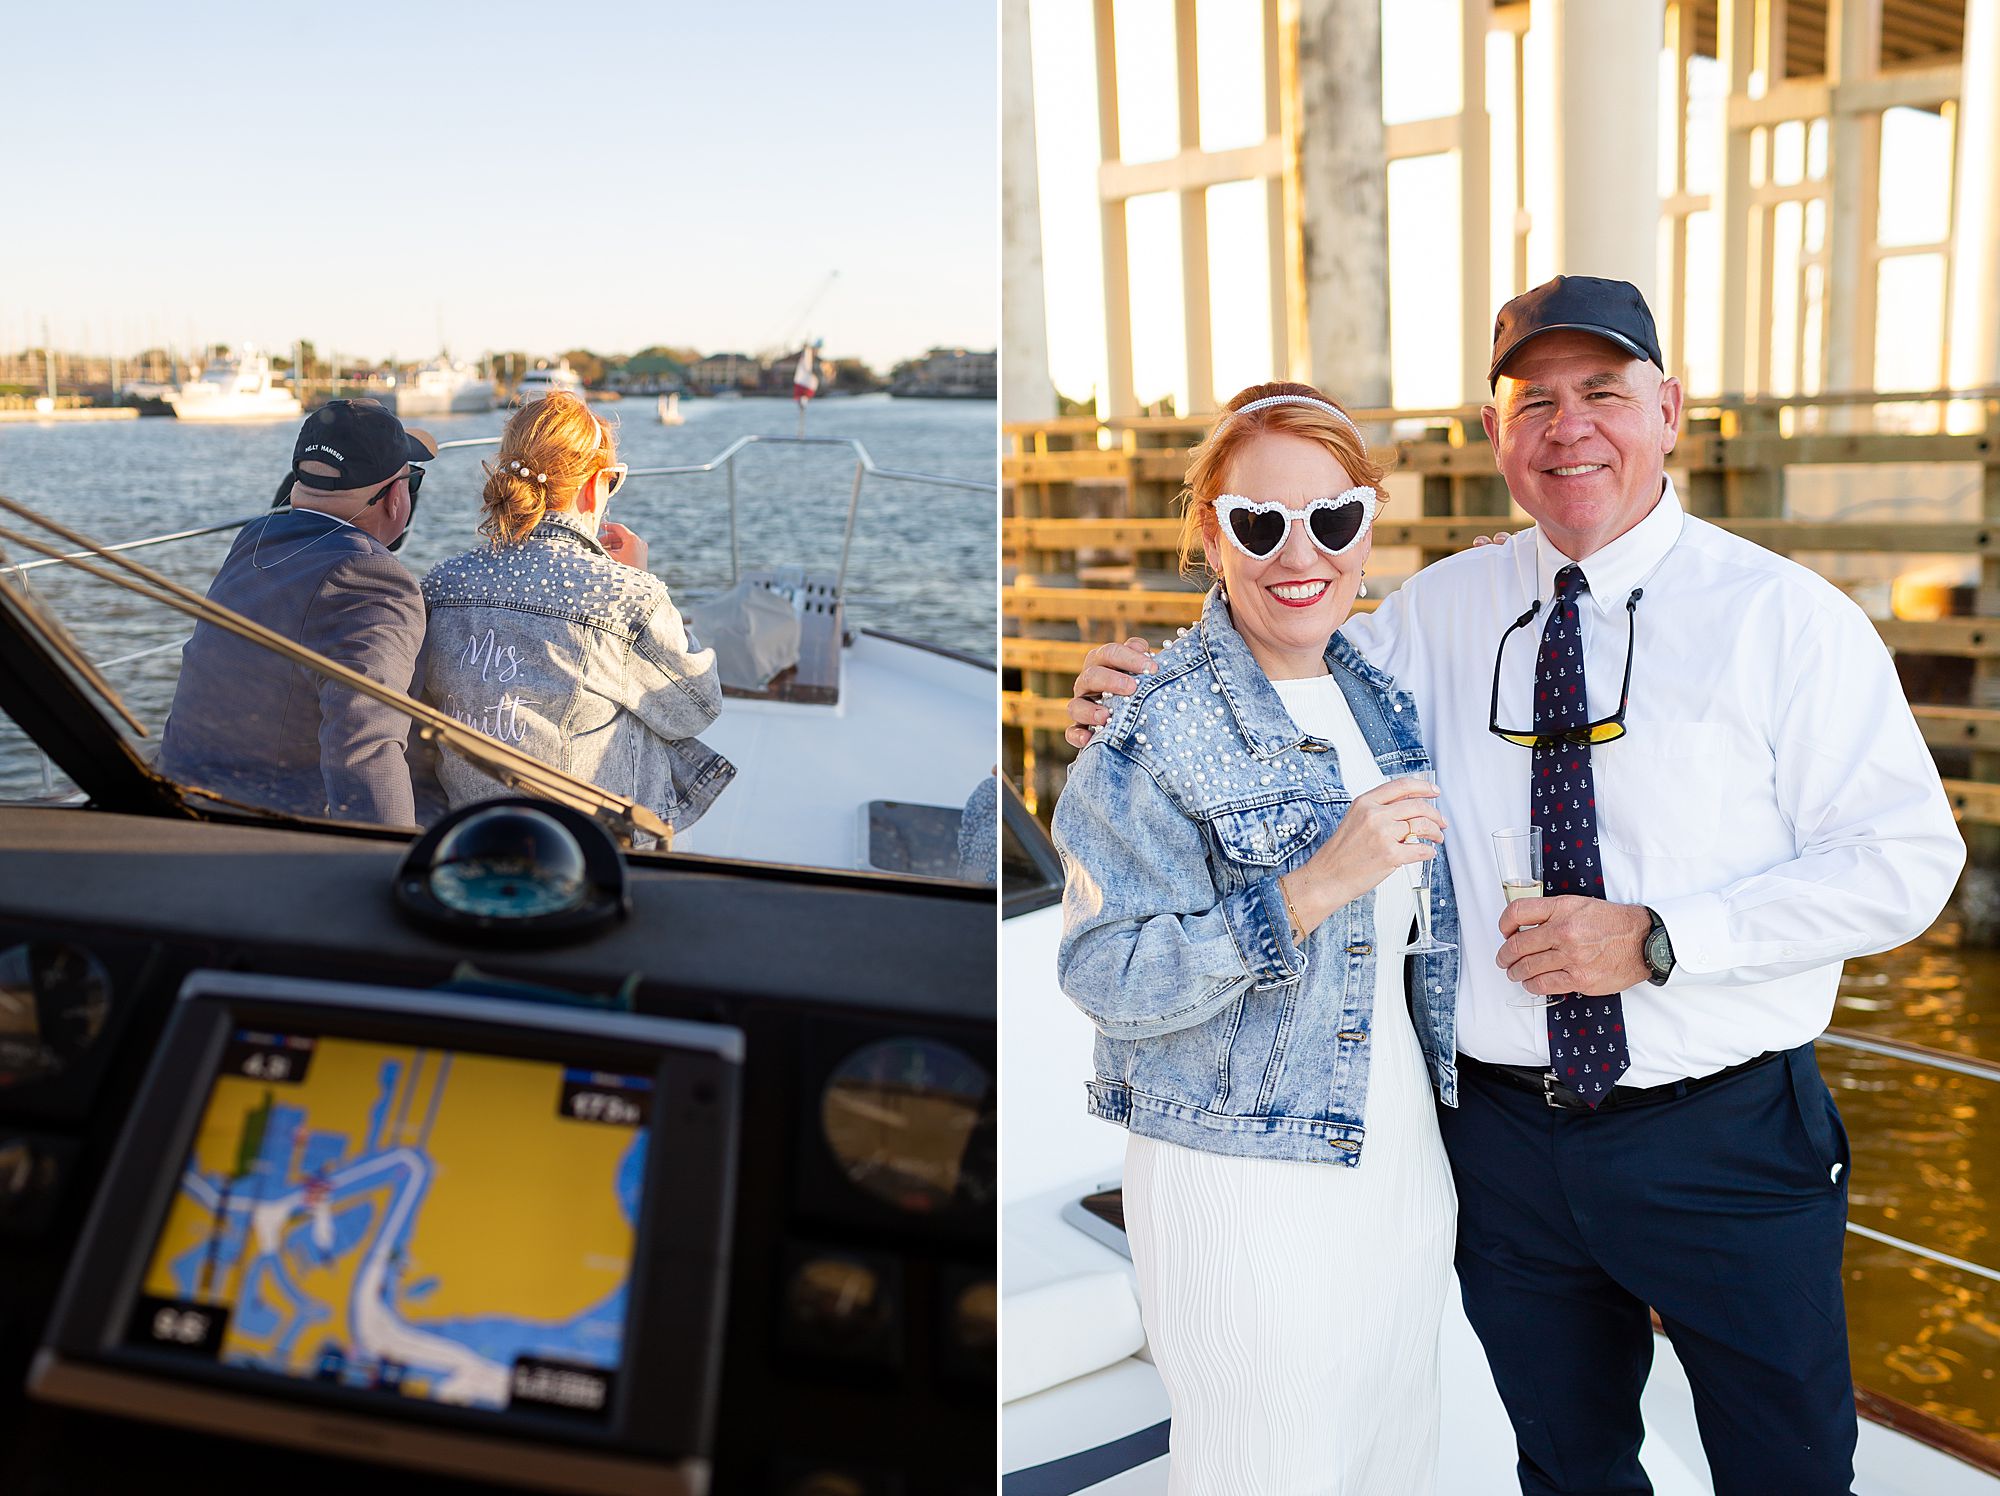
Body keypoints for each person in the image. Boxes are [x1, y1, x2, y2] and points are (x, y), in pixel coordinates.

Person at [1064, 276, 1966, 1494]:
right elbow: (1281, 639)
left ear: (1668, 409)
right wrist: (1139, 683)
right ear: (1494, 435)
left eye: (1602, 390)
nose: (1567, 425)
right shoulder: (1436, 612)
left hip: (1720, 1136)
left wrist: (1657, 937)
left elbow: (1906, 860)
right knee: (1565, 1463)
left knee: (1787, 1468)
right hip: (1496, 1145)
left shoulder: (1784, 620)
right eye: (1531, 399)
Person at [1053, 383, 1458, 1494]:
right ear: (1209, 533)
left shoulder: (1379, 691)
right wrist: (1309, 886)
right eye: (1257, 522)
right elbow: (1104, 972)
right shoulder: (1150, 723)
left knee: (1390, 1462)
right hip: (1239, 1178)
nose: (1299, 552)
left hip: (1399, 1163)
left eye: (1329, 519)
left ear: (1366, 523)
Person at [419, 391, 732, 837]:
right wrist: (641, 585)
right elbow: (697, 708)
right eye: (613, 482)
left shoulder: (442, 582)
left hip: (469, 826)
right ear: (593, 486)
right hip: (584, 842)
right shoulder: (625, 596)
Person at [158, 399, 435, 825]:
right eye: (411, 480)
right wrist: (388, 858)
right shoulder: (374, 578)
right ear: (396, 498)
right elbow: (366, 748)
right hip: (264, 834)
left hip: (176, 798)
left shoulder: (254, 539)